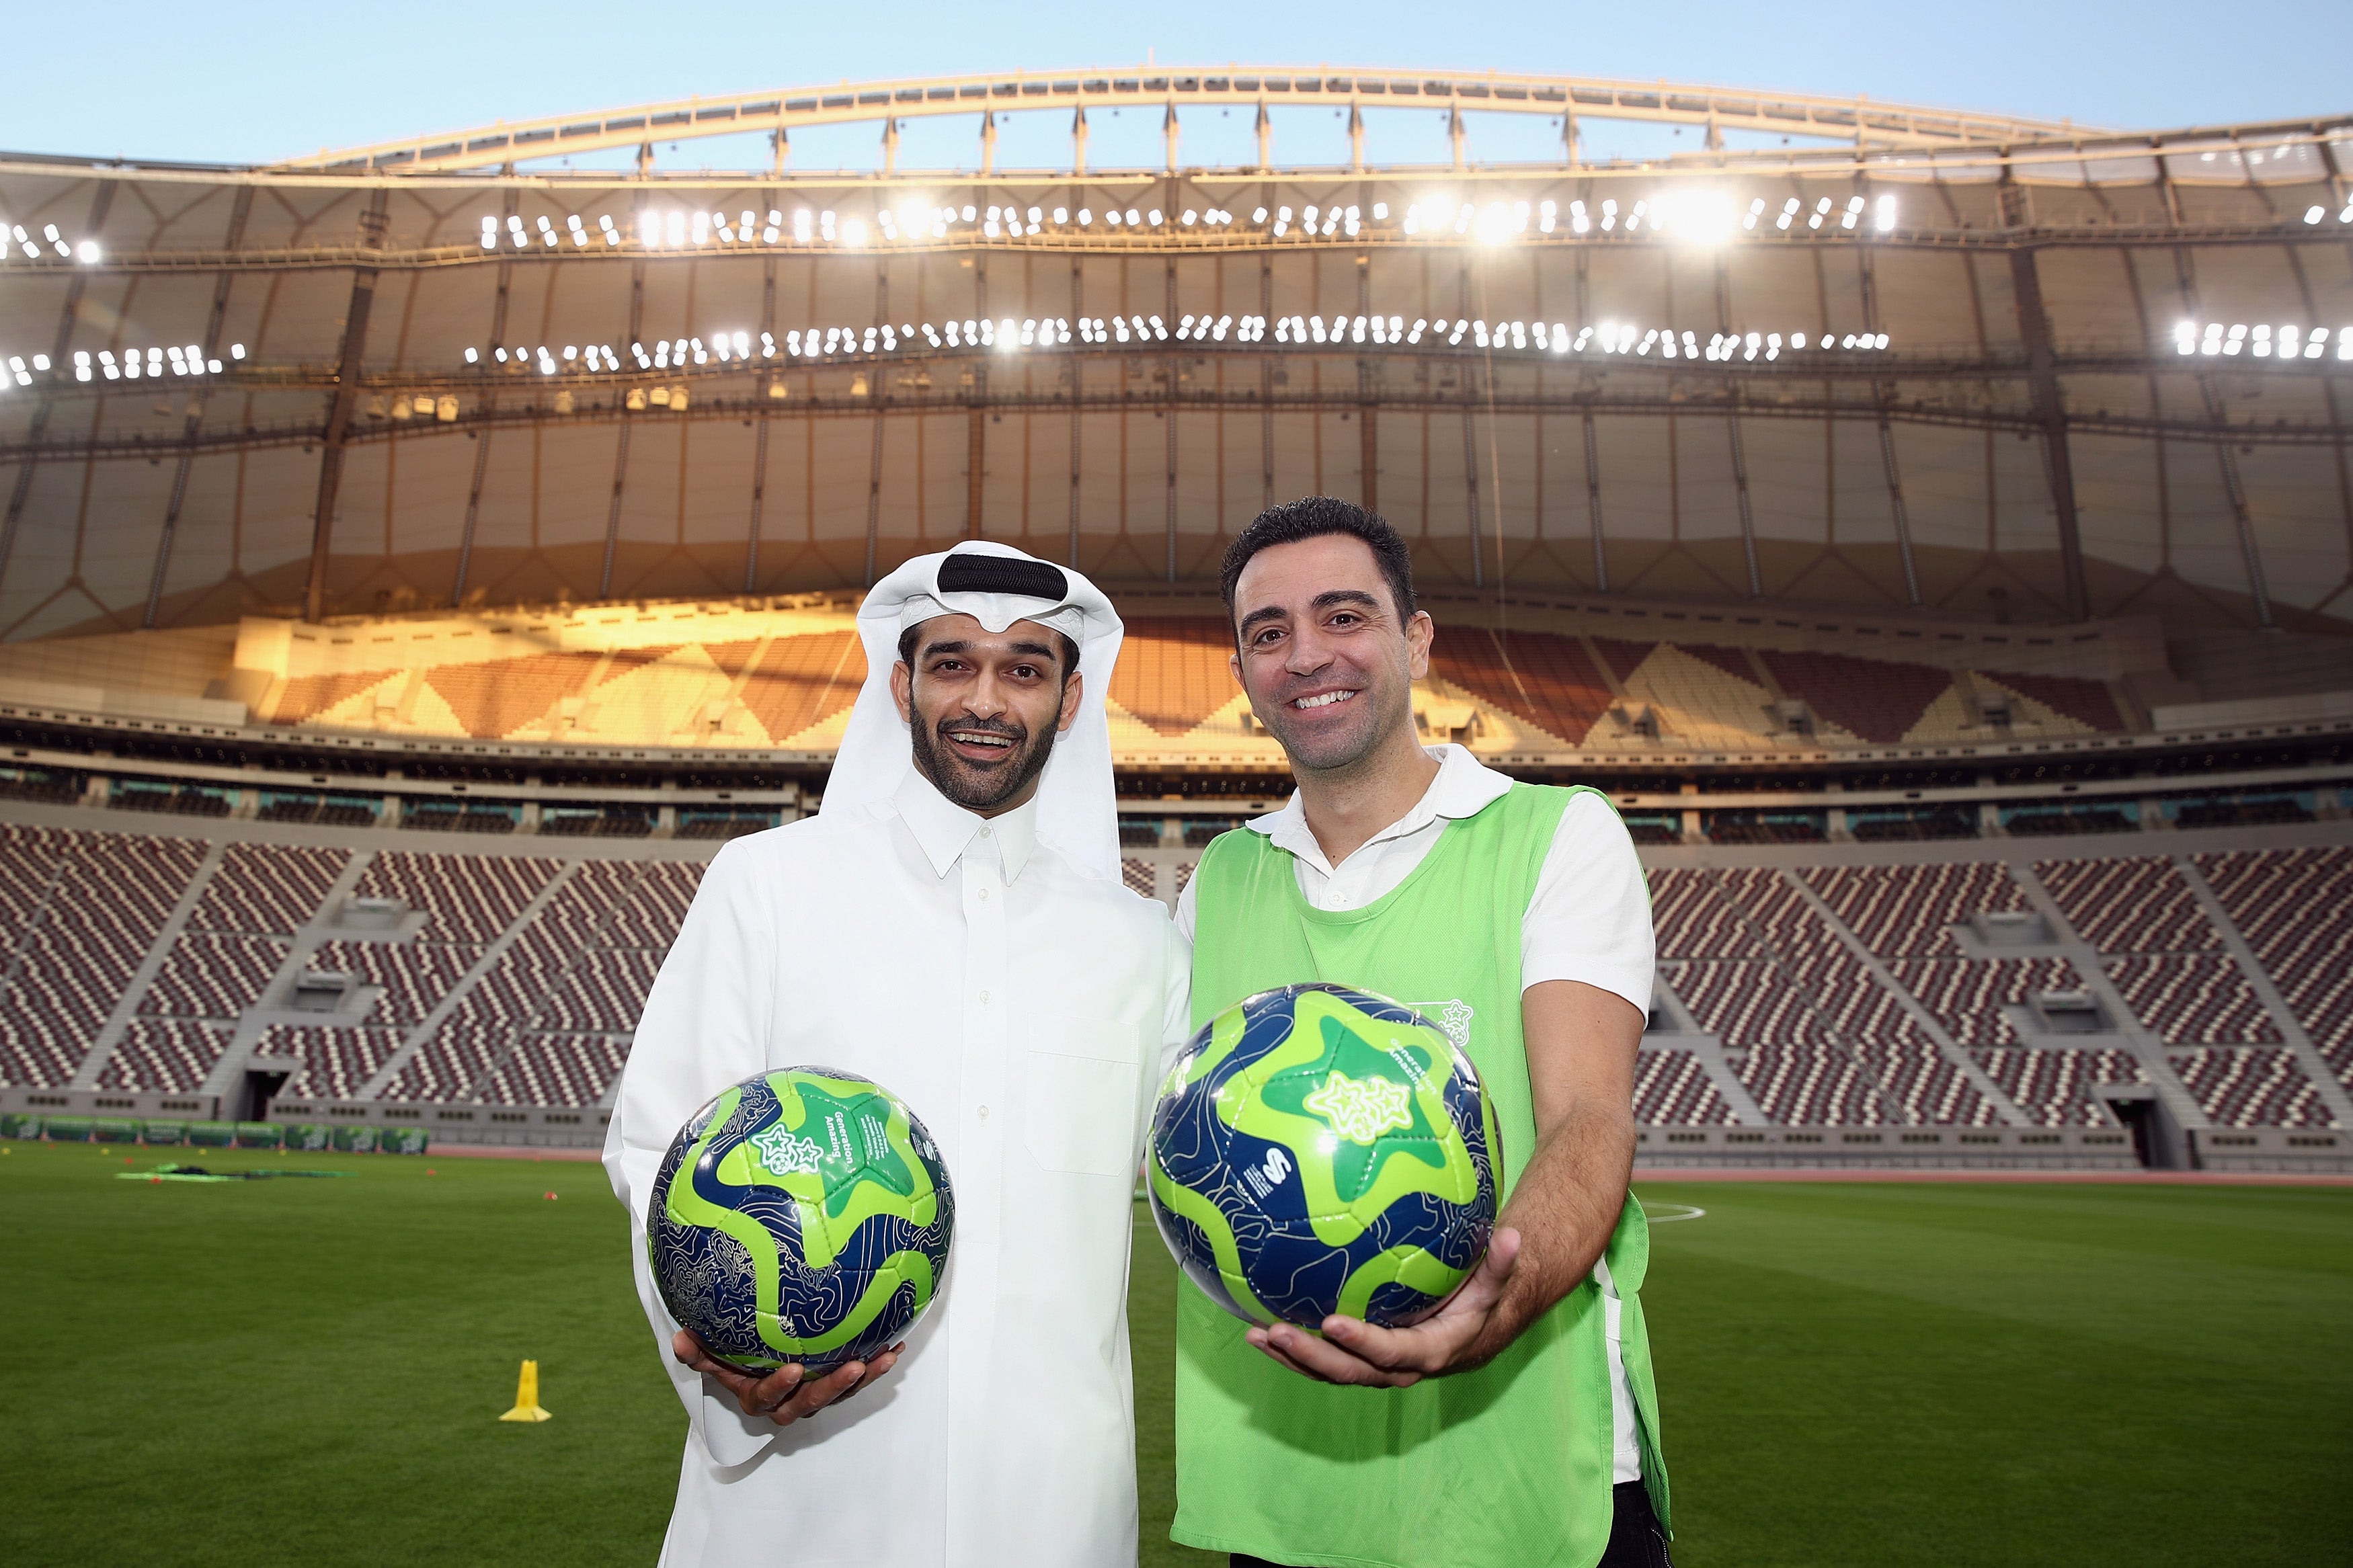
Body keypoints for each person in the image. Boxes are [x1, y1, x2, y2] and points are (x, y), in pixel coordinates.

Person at [605, 542, 1190, 1568]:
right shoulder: (768, 886)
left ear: (1070, 697)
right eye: (954, 662)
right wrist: (731, 1364)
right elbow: (659, 1141)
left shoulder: (1142, 944)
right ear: (900, 680)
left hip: (1052, 1514)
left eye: (1025, 669)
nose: (987, 698)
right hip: (799, 1505)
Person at [1170, 498, 1670, 1568]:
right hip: (1289, 1504)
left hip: (1525, 1488)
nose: (1307, 655)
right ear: (1244, 668)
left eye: (1344, 616)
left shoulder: (1558, 836)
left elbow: (1587, 1120)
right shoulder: (1218, 881)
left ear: (1416, 638)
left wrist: (1484, 1313)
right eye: (1269, 633)